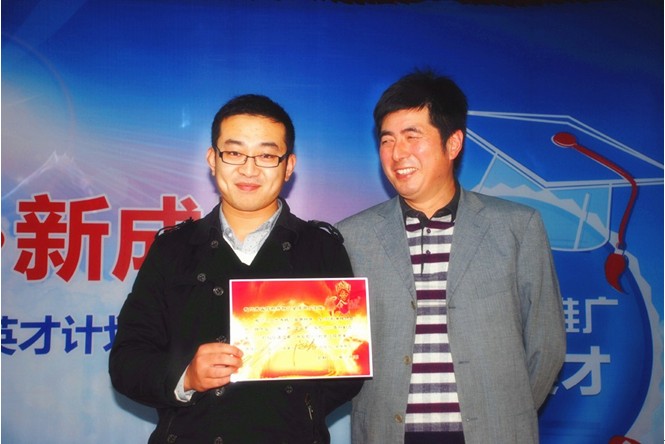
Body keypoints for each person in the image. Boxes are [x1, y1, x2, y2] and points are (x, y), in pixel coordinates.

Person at [109, 94, 362, 444]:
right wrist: (186, 376)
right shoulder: (173, 249)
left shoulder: (321, 248)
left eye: (267, 155)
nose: (249, 169)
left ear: (289, 165)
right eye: (234, 152)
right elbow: (127, 361)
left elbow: (348, 366)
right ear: (212, 159)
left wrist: (296, 407)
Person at [336, 70, 566, 444]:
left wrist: (508, 413)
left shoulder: (516, 226)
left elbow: (547, 342)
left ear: (453, 143)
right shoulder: (351, 236)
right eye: (387, 139)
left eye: (412, 136)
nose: (397, 153)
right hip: (387, 433)